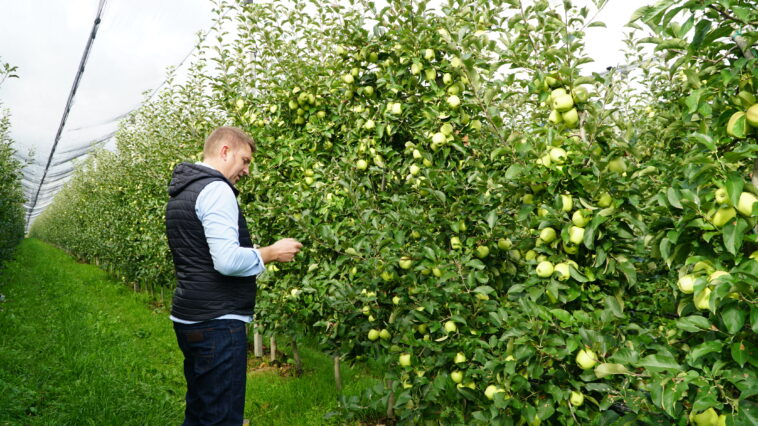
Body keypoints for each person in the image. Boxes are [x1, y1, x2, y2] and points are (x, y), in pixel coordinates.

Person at [165, 126, 302, 425]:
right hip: (217, 322)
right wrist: (270, 252)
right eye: (245, 160)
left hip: (190, 316)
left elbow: (198, 253)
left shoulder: (184, 190)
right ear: (225, 151)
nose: (247, 170)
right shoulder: (216, 190)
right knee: (221, 417)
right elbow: (226, 261)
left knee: (200, 410)